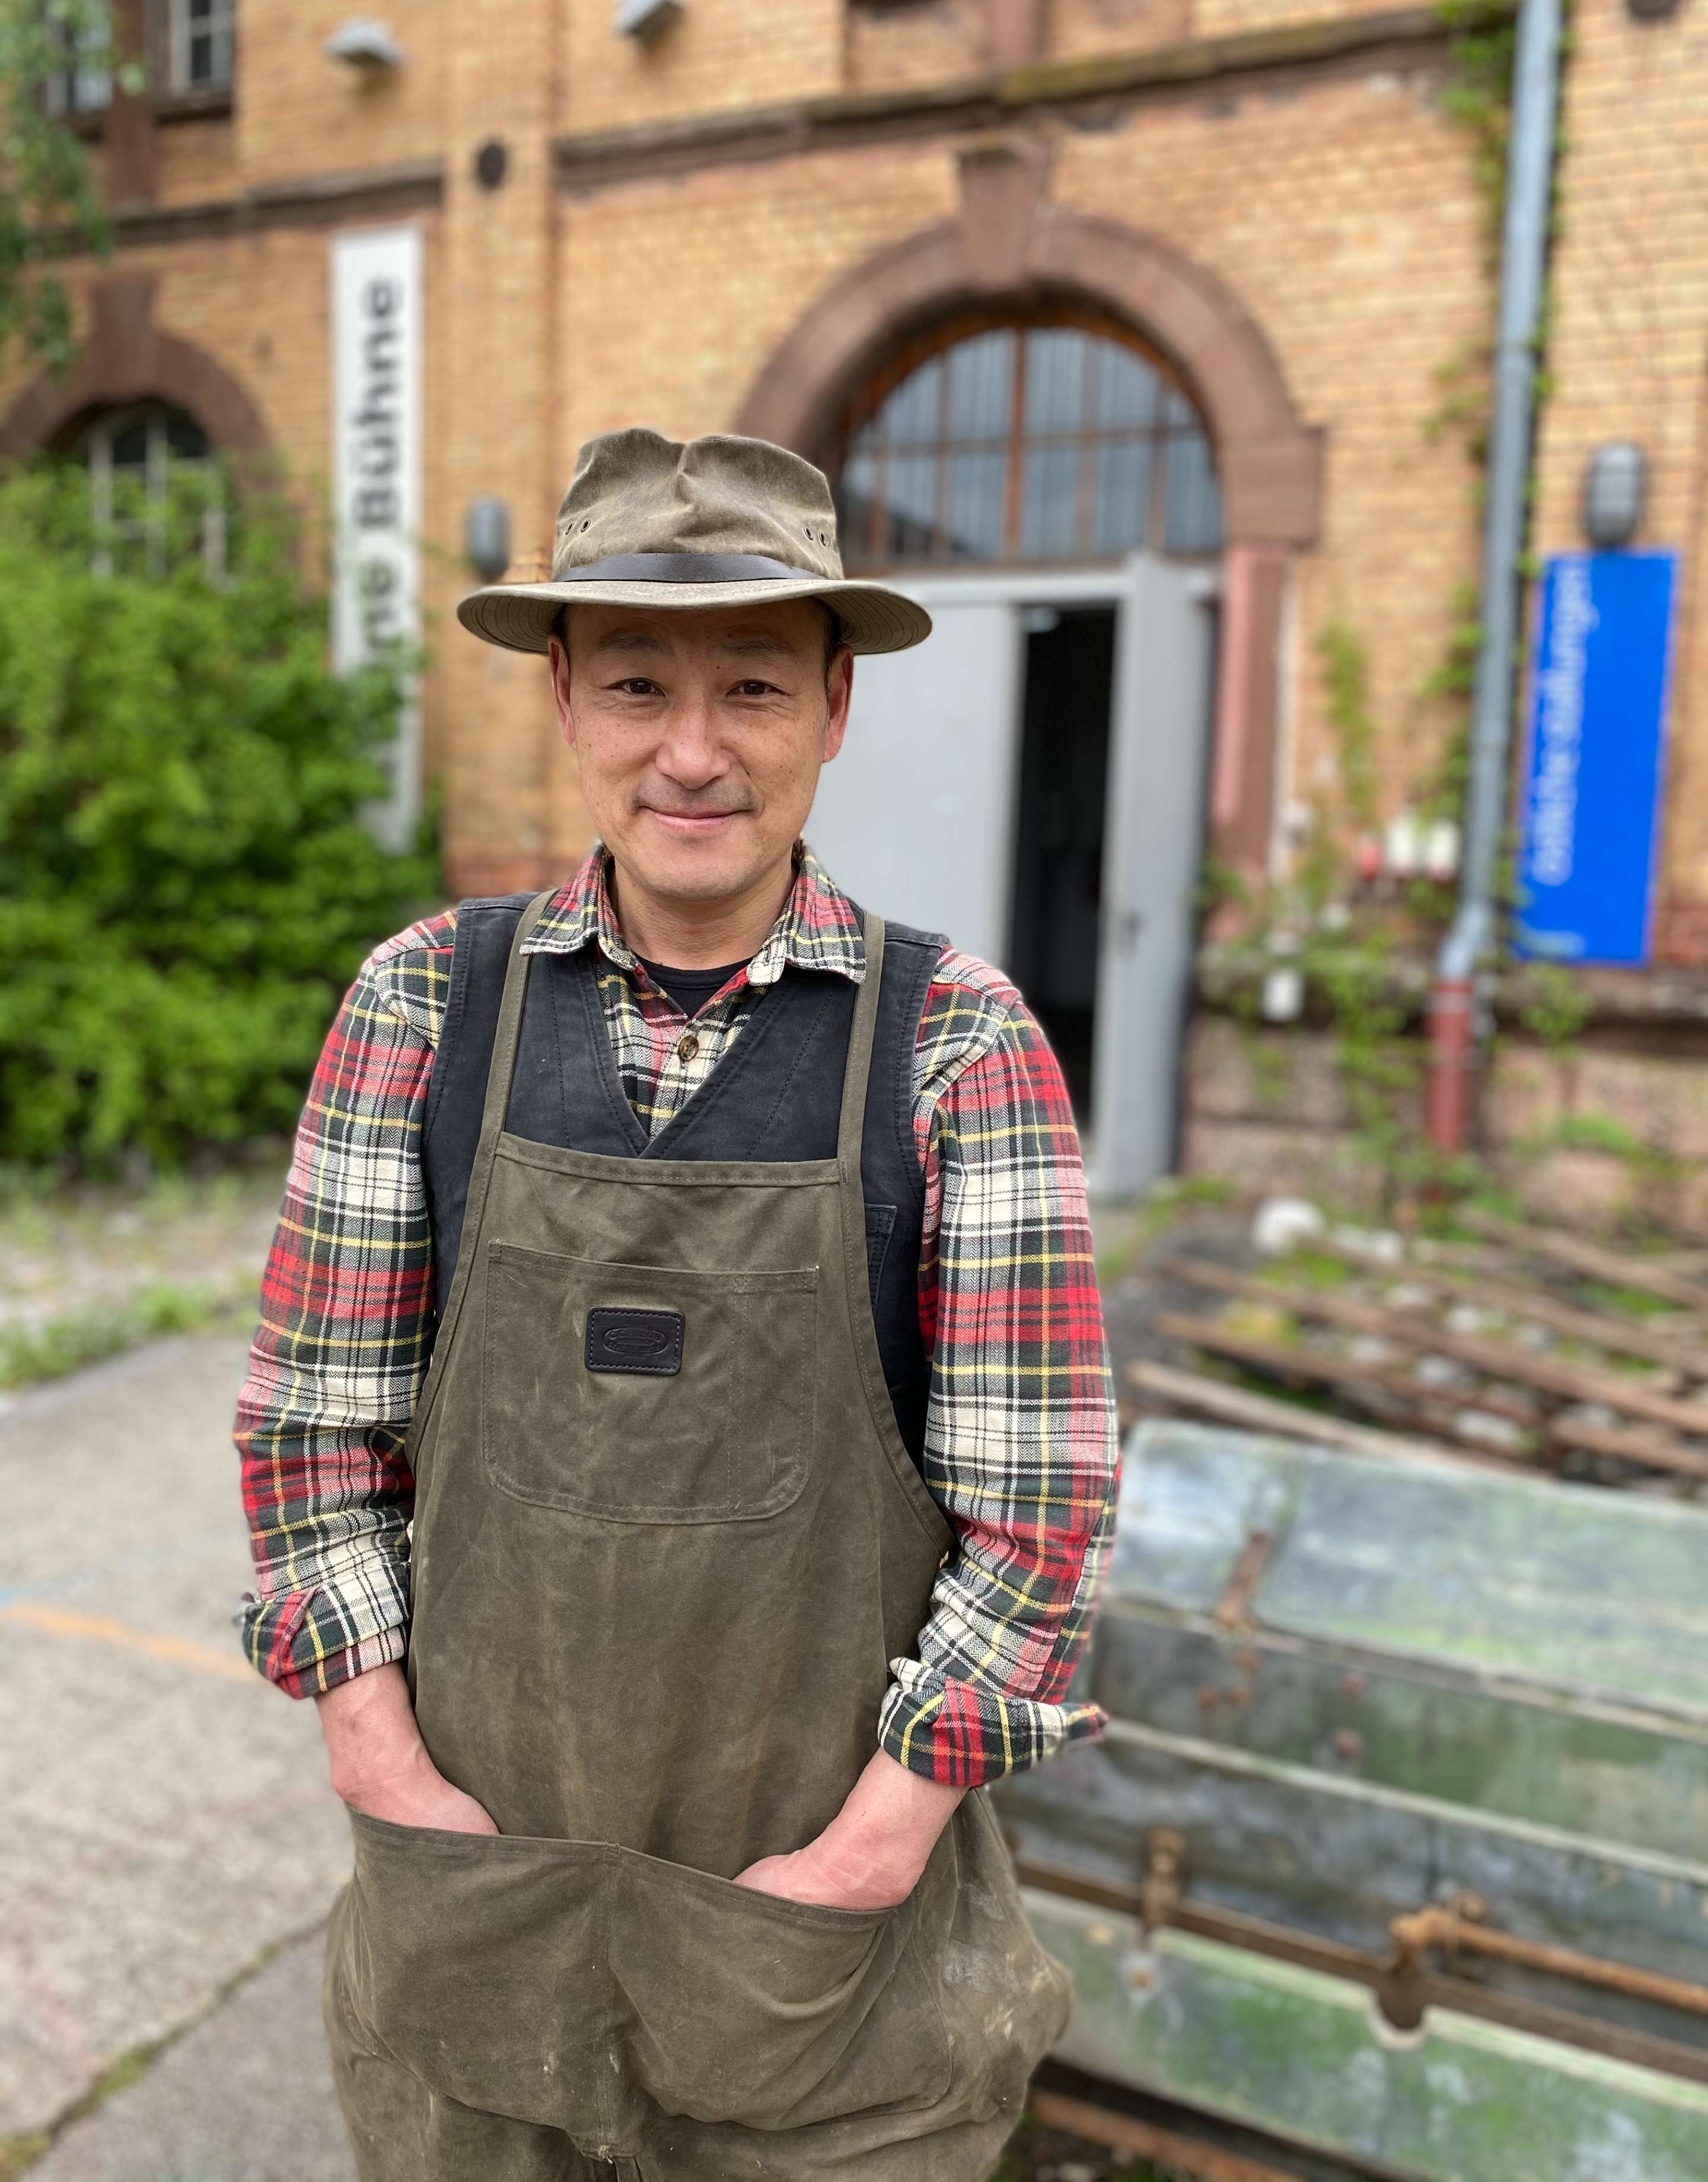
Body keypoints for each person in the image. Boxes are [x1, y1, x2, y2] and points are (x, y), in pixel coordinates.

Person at [234, 428, 1120, 2181]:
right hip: (473, 1934)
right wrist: (387, 1773)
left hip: (832, 1982)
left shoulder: (958, 1045)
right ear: (566, 698)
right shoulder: (423, 1009)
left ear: (835, 708)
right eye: (638, 682)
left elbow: (1039, 1517)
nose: (694, 753)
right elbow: (313, 1441)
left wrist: (865, 1859)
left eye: (755, 687)